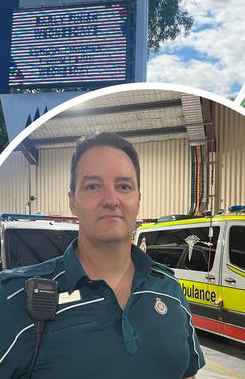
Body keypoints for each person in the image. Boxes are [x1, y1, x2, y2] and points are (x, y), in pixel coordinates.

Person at [0, 132, 205, 378]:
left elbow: (187, 374)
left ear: (138, 199)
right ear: (73, 201)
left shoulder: (169, 290)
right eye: (93, 186)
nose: (111, 199)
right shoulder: (14, 299)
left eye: (124, 186)